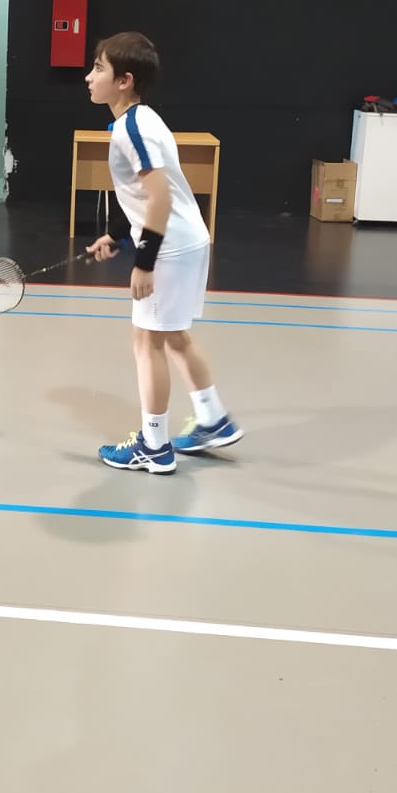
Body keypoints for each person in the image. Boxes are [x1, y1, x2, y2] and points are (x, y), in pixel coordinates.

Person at [83, 32, 242, 474]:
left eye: (98, 68)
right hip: (189, 239)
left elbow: (160, 198)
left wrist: (144, 260)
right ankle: (212, 419)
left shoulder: (132, 129)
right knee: (174, 335)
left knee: (146, 342)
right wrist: (117, 234)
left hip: (170, 247)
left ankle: (153, 446)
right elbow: (147, 192)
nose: (89, 77)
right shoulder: (143, 119)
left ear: (124, 81)